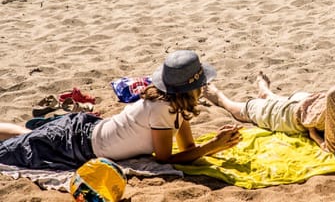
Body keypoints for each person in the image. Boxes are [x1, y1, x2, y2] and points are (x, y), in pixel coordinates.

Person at [0, 50, 242, 170]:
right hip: (77, 146)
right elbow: (165, 159)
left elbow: (188, 149)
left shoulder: (177, 106)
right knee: (9, 152)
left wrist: (216, 144)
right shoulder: (162, 108)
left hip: (84, 132)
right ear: (191, 88)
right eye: (202, 84)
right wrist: (212, 146)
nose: (205, 87)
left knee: (26, 137)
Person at [203, 28, 335, 154]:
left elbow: (333, 148)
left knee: (270, 103)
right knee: (243, 110)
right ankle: (218, 95)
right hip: (294, 114)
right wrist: (315, 135)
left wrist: (314, 134)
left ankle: (265, 91)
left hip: (308, 107)